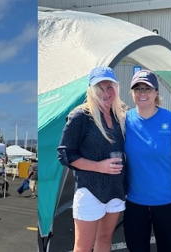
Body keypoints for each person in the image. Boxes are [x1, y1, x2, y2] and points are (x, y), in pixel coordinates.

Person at [123, 70, 171, 252]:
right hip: (134, 203)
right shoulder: (124, 120)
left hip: (167, 202)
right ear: (132, 93)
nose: (142, 93)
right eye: (138, 89)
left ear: (156, 93)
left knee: (169, 248)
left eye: (147, 89)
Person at [57, 66, 127, 252]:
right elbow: (65, 155)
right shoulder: (81, 116)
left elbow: (145, 116)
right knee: (83, 247)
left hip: (116, 190)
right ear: (91, 90)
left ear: (116, 88)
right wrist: (98, 166)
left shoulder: (119, 114)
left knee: (105, 240)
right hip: (90, 190)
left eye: (109, 87)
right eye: (100, 88)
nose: (105, 93)